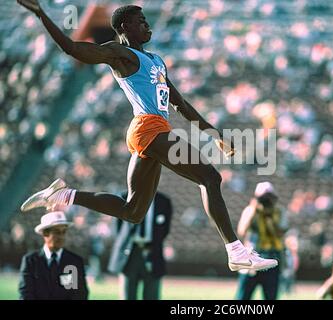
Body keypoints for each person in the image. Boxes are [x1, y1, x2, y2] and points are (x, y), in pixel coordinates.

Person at [17, 1, 277, 272]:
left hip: (153, 130)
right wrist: (41, 13)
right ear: (124, 27)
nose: (147, 24)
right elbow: (72, 48)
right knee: (210, 177)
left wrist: (214, 134)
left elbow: (181, 105)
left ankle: (64, 194)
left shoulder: (156, 60)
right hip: (148, 128)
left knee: (133, 212)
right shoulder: (121, 54)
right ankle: (235, 251)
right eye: (140, 21)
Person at [108, 191, 172, 300]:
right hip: (130, 252)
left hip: (152, 252)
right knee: (127, 294)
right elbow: (117, 228)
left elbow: (165, 229)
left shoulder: (163, 201)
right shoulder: (124, 197)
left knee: (152, 295)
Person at [235, 182, 288, 300]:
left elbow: (281, 233)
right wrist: (253, 210)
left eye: (268, 197)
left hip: (272, 257)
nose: (266, 201)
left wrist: (270, 219)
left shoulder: (279, 211)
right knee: (243, 296)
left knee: (271, 296)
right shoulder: (250, 210)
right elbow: (241, 231)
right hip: (252, 257)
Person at [18, 211, 89, 300]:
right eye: (57, 232)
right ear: (45, 233)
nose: (61, 236)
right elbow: (26, 294)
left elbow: (79, 295)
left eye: (64, 232)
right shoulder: (30, 261)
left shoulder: (75, 262)